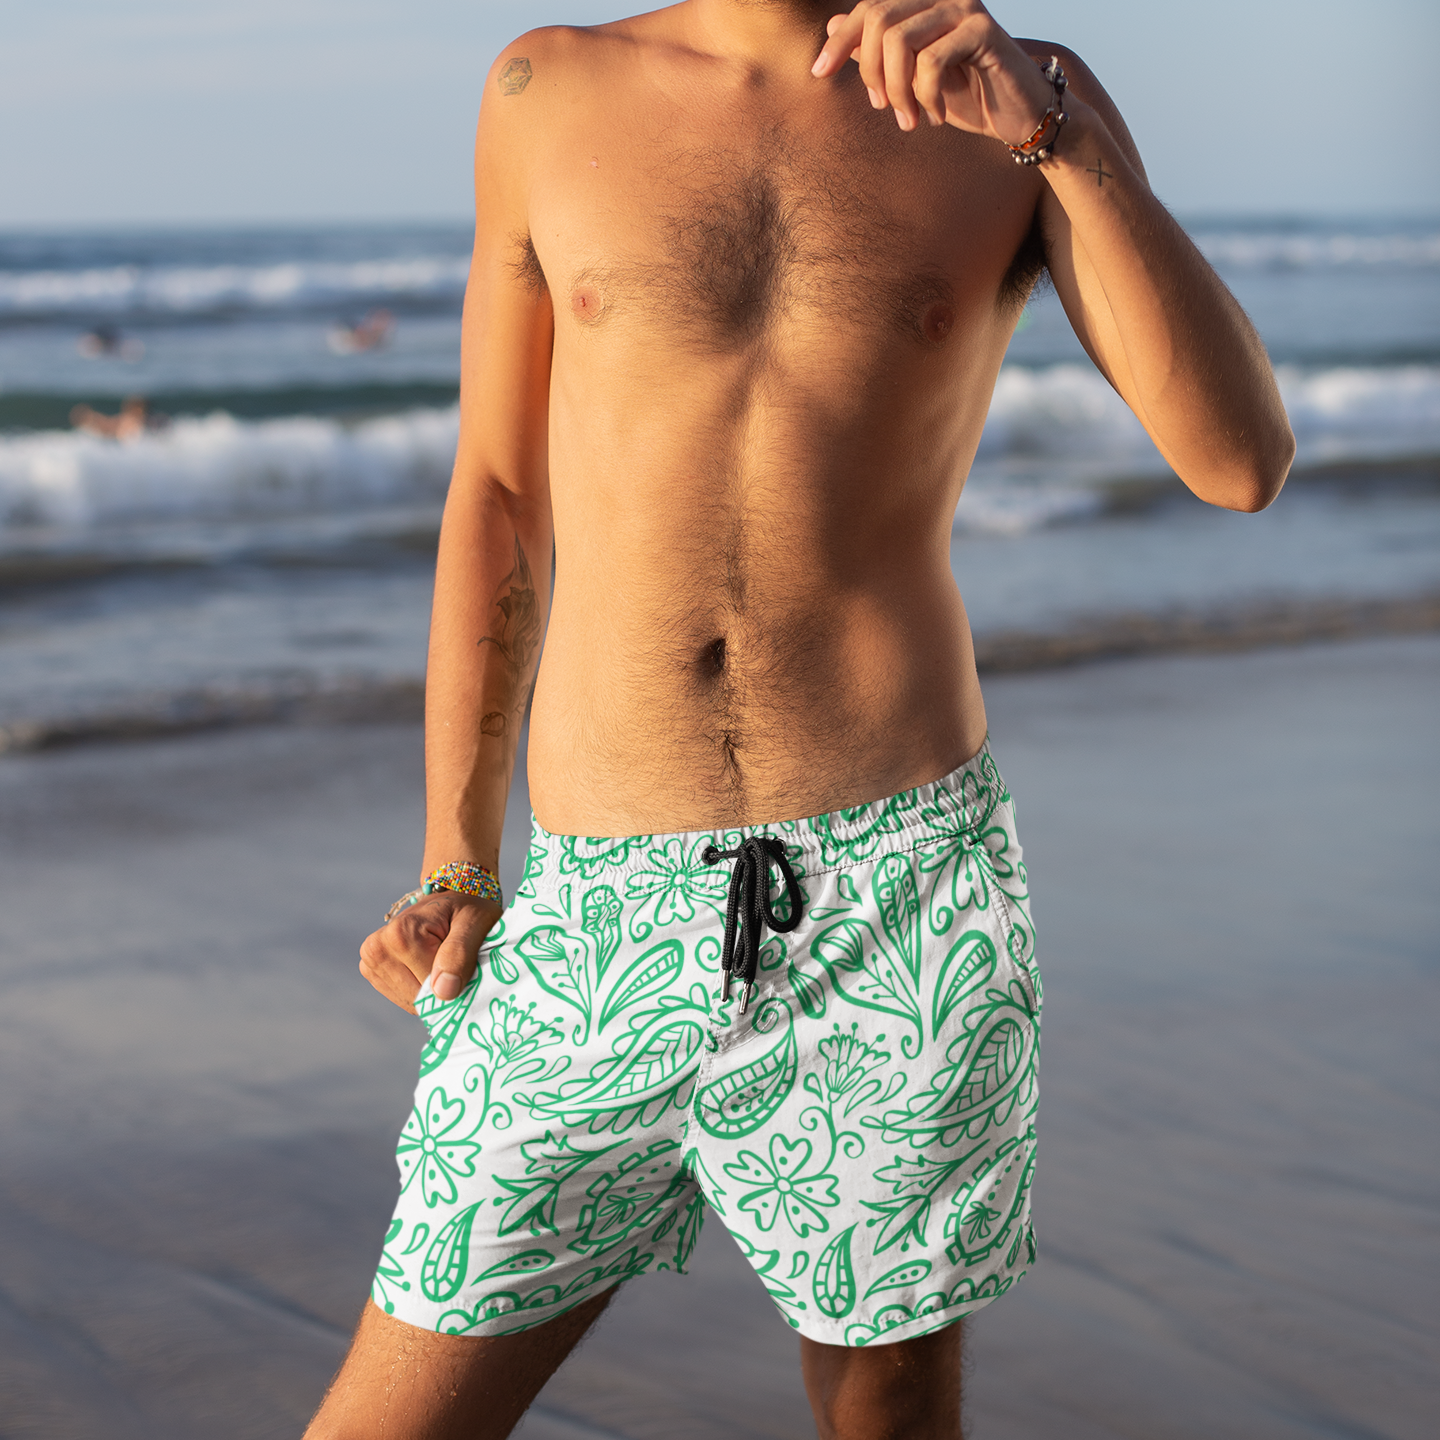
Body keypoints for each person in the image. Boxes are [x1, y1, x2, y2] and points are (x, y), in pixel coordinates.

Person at [306, 3, 1293, 1436]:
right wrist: (457, 857)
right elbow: (502, 495)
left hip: (902, 887)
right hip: (600, 912)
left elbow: (1239, 458)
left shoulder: (1025, 99)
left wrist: (1054, 139)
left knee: (888, 1409)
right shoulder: (546, 87)